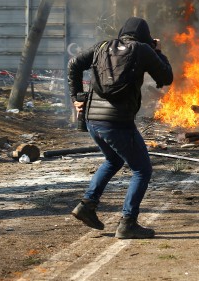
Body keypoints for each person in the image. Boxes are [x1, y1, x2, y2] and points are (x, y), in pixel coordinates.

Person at [68, 17, 173, 239]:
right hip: (118, 123)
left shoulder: (103, 47)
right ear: (144, 36)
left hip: (93, 121)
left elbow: (74, 64)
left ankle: (87, 205)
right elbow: (166, 77)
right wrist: (159, 52)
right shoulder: (143, 50)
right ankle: (128, 222)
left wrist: (76, 97)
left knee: (113, 160)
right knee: (142, 170)